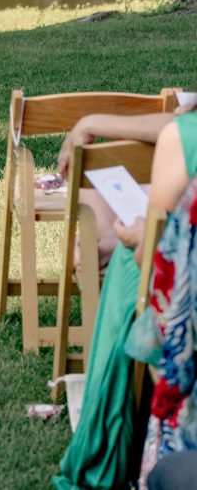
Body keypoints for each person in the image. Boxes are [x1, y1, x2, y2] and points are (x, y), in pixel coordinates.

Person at [54, 111, 197, 490]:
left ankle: (112, 429)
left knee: (129, 262)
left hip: (184, 321)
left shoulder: (182, 139)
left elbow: (156, 265)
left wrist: (136, 239)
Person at [58, 108, 180, 270]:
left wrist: (89, 123)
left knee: (91, 167)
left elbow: (180, 126)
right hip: (163, 233)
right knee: (95, 172)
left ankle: (112, 243)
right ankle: (109, 240)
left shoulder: (182, 131)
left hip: (164, 250)